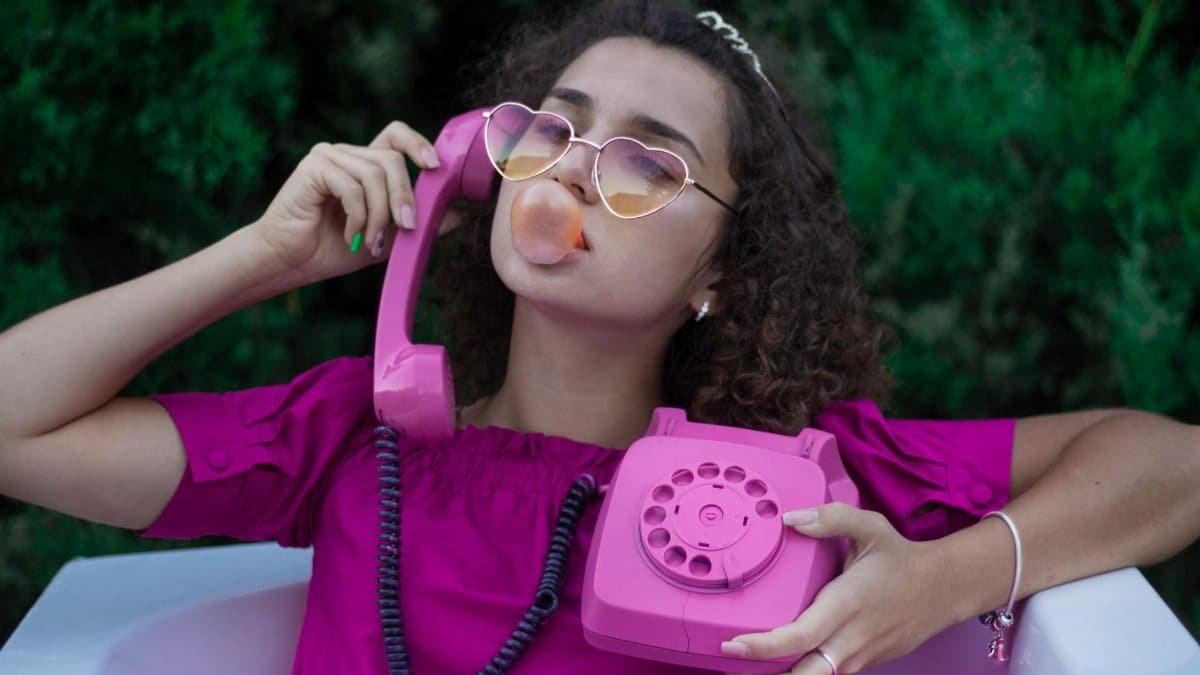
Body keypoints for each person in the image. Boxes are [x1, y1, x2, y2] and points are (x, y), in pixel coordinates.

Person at [1, 2, 1197, 674]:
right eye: (549, 127)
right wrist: (263, 256)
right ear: (485, 161)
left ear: (724, 267)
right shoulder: (348, 437)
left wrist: (951, 573)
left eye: (644, 158)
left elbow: (1172, 461)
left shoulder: (800, 484)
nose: (570, 167)